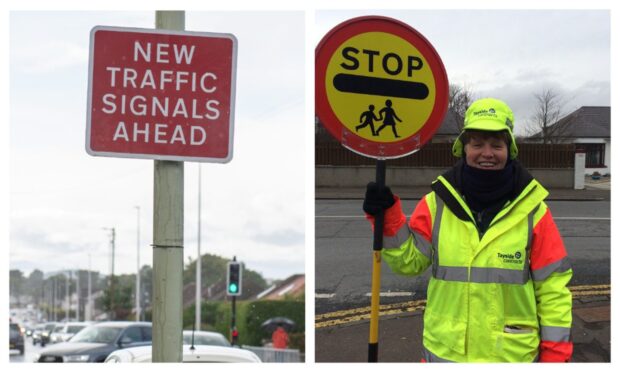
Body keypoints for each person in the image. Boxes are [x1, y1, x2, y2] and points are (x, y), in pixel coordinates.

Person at [363, 98, 573, 362]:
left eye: (497, 145)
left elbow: (553, 288)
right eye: (477, 144)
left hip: (510, 356)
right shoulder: (436, 203)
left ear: (510, 150)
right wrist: (388, 218)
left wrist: (556, 354)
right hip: (445, 353)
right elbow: (409, 263)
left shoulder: (534, 211)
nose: (487, 153)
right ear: (464, 149)